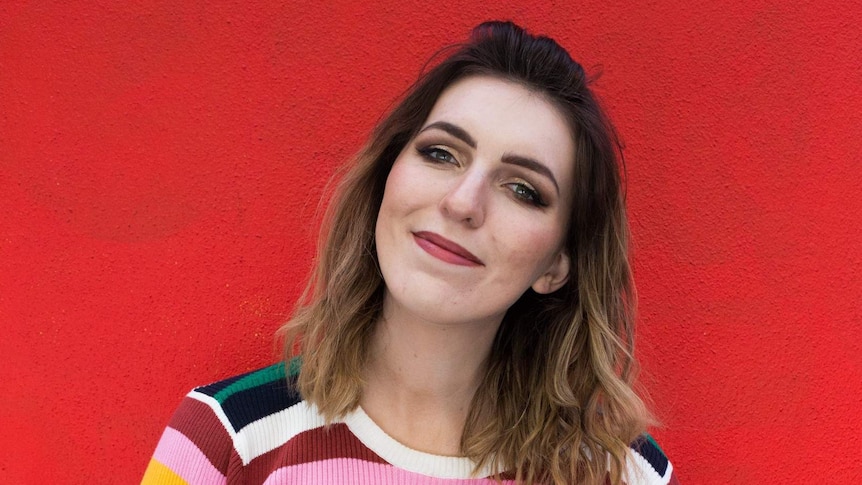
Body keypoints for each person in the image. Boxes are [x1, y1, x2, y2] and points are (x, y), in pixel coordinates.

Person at [142, 21, 678, 485]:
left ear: (558, 264)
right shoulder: (227, 440)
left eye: (522, 189)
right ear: (386, 182)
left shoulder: (624, 473)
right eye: (441, 153)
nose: (463, 202)